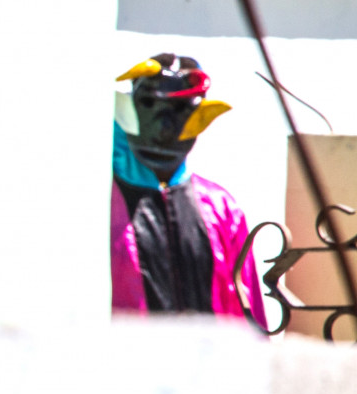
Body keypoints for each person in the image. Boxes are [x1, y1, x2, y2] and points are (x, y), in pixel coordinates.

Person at [111, 53, 260, 319]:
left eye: (179, 110)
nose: (163, 129)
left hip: (208, 346)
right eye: (150, 105)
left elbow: (246, 309)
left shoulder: (221, 208)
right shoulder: (100, 201)